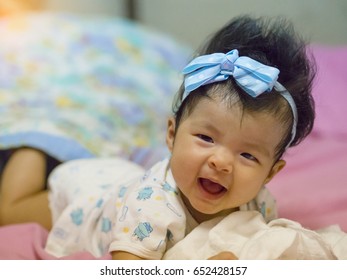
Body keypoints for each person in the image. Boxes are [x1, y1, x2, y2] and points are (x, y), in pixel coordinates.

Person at [0, 15, 315, 260]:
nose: (220, 161)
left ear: (270, 173)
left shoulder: (260, 205)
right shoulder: (151, 207)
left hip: (122, 178)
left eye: (248, 156)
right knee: (9, 210)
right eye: (206, 138)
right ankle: (38, 139)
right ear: (172, 134)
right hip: (87, 197)